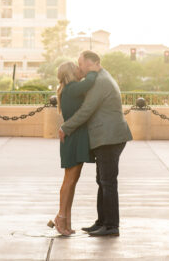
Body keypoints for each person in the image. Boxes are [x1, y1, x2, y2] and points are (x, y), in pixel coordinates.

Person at [59, 50, 132, 237]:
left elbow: (86, 110)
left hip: (109, 137)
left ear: (91, 63)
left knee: (107, 182)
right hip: (107, 137)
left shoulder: (100, 81)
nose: (79, 67)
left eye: (81, 63)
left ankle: (111, 226)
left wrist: (66, 127)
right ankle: (102, 222)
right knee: (103, 181)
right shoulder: (101, 77)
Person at [48, 61, 98, 236]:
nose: (80, 69)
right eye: (77, 67)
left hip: (75, 137)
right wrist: (93, 68)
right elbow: (91, 81)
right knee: (69, 181)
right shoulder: (73, 88)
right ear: (70, 72)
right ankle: (61, 217)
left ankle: (66, 220)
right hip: (74, 138)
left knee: (71, 181)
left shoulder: (69, 89)